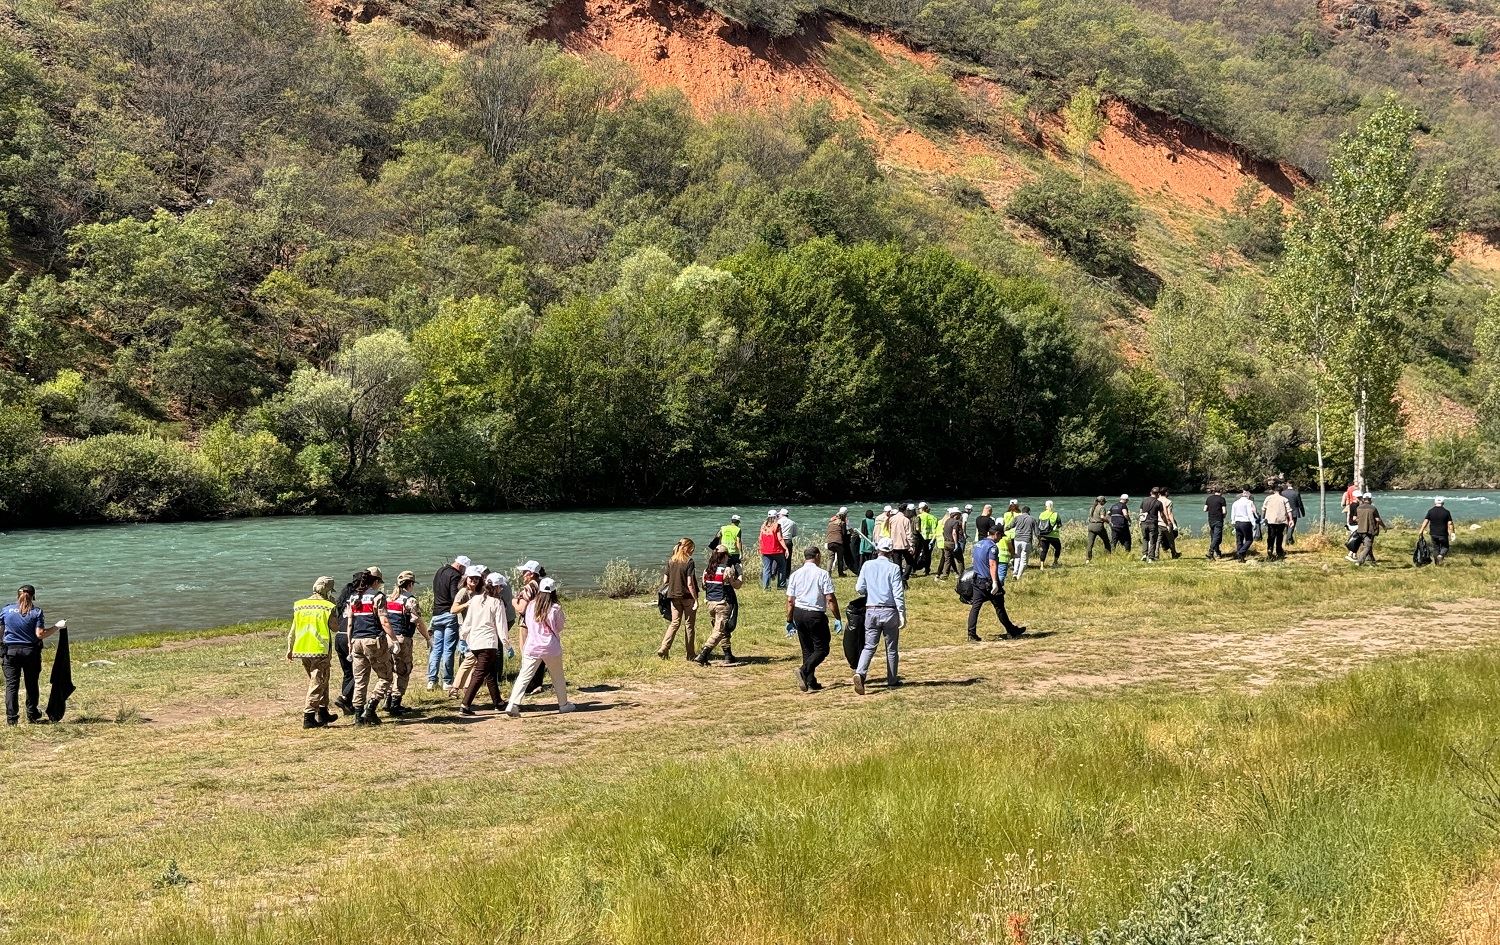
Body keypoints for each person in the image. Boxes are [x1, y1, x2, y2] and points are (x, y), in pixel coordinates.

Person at [506, 578, 574, 717]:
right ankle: (563, 704)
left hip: (532, 646)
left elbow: (528, 624)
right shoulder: (555, 608)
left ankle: (513, 704)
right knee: (558, 677)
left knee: (524, 676)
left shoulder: (531, 606)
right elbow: (559, 626)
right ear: (554, 591)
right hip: (551, 647)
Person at [853, 538, 906, 694]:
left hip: (871, 609)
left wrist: (869, 590)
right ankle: (892, 679)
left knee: (869, 646)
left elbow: (859, 588)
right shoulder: (894, 568)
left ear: (877, 550)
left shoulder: (867, 565)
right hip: (889, 611)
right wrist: (902, 613)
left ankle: (860, 672)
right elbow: (898, 592)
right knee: (891, 648)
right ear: (891, 552)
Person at [785, 546, 842, 693]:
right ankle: (803, 671)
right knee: (822, 648)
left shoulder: (795, 574)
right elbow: (830, 598)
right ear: (817, 556)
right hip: (815, 614)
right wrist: (838, 617)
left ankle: (810, 682)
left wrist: (789, 619)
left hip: (799, 613)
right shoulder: (822, 574)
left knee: (807, 649)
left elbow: (790, 600)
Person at [345, 568, 398, 725]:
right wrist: (394, 640)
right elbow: (384, 621)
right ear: (375, 582)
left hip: (356, 641)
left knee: (360, 680)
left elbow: (350, 623)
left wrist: (349, 643)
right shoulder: (378, 597)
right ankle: (370, 708)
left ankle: (358, 716)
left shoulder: (353, 597)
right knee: (386, 676)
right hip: (373, 641)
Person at [285, 577, 338, 729]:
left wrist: (289, 648)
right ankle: (308, 716)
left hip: (302, 647)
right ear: (328, 591)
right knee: (317, 682)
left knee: (321, 680)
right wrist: (335, 610)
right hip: (319, 648)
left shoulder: (300, 605)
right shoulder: (328, 606)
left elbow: (293, 629)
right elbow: (335, 627)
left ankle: (323, 711)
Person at [3, 584, 59, 726]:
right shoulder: (36, 612)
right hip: (30, 653)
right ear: (33, 596)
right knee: (31, 684)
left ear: (17, 595)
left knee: (11, 686)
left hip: (10, 652)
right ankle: (32, 714)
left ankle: (12, 719)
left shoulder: (6, 610)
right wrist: (56, 627)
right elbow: (39, 634)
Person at [457, 572, 512, 715]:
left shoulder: (475, 599)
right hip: (488, 643)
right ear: (497, 587)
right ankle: (465, 705)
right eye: (500, 587)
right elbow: (501, 627)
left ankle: (498, 702)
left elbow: (468, 621)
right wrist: (507, 645)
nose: (501, 589)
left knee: (490, 673)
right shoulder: (497, 602)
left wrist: (463, 637)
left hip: (474, 642)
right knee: (479, 674)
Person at [381, 571, 429, 715]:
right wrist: (428, 638)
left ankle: (387, 699)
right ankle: (395, 703)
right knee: (403, 670)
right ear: (410, 584)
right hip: (402, 639)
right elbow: (418, 622)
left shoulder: (388, 599)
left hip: (387, 639)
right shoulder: (410, 600)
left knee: (390, 669)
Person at [967, 525, 1026, 641]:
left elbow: (974, 561)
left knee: (975, 607)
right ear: (996, 534)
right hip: (988, 581)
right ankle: (1012, 631)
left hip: (977, 580)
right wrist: (995, 582)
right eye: (1000, 536)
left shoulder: (978, 544)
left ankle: (971, 633)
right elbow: (992, 564)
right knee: (999, 607)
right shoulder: (992, 547)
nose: (1000, 539)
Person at [696, 545, 744, 665]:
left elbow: (704, 586)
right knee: (720, 630)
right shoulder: (726, 570)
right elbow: (737, 585)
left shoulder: (707, 570)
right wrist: (740, 574)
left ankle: (728, 654)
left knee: (722, 629)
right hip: (722, 603)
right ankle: (704, 654)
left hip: (710, 603)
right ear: (724, 556)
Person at [427, 554, 468, 692]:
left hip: (436, 614)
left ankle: (431, 680)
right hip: (449, 614)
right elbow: (454, 596)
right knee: (448, 649)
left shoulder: (440, 571)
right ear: (460, 566)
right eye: (464, 569)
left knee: (436, 649)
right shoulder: (455, 575)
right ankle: (447, 680)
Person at [331, 570, 369, 714]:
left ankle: (348, 706)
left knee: (348, 673)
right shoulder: (360, 598)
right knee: (360, 669)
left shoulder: (345, 598)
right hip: (350, 637)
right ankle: (345, 697)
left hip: (339, 637)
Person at [659, 538, 700, 660]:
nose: (692, 551)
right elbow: (690, 583)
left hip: (673, 596)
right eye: (692, 548)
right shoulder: (689, 561)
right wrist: (696, 599)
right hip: (687, 597)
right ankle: (690, 654)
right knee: (689, 625)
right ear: (687, 548)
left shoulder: (671, 560)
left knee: (675, 623)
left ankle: (664, 647)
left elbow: (665, 580)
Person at [1418, 497, 1455, 565]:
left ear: (1435, 503)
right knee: (1445, 547)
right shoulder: (1446, 512)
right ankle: (1441, 556)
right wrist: (1452, 532)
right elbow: (1450, 523)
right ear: (1443, 503)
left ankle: (1437, 564)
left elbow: (1426, 521)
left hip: (1433, 534)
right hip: (1443, 534)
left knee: (1435, 548)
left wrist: (1421, 530)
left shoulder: (1430, 511)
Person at [1354, 492, 1385, 566]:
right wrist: (1384, 526)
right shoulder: (1373, 508)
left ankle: (1372, 561)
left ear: (1363, 499)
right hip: (1369, 530)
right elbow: (1378, 519)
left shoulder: (1358, 508)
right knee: (1367, 547)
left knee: (1368, 545)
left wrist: (1360, 521)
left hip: (1360, 530)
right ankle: (1359, 561)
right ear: (1370, 499)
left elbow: (1354, 518)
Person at [887, 504, 914, 584]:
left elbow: (888, 531)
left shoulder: (891, 519)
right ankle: (904, 577)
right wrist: (911, 545)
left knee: (897, 564)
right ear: (905, 510)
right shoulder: (906, 520)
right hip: (904, 544)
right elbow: (909, 534)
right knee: (910, 562)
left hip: (894, 544)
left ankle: (899, 580)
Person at [759, 511, 786, 591]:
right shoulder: (777, 525)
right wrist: (786, 548)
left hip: (765, 550)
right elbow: (780, 538)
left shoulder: (763, 526)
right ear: (776, 517)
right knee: (782, 566)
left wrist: (760, 547)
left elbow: (760, 538)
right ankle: (781, 586)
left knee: (766, 569)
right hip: (776, 550)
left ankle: (766, 587)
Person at [1261, 488, 1291, 561]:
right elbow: (1289, 510)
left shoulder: (1268, 498)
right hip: (1281, 520)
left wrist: (1262, 518)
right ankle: (1278, 550)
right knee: (1279, 535)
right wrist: (1291, 519)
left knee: (1271, 535)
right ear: (1281, 492)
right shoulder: (1284, 499)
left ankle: (1270, 548)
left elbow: (1263, 509)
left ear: (1274, 491)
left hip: (1270, 520)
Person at [1010, 505, 1038, 579]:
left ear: (1022, 512)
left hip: (1017, 540)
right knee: (1024, 560)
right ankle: (1018, 576)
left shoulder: (1017, 518)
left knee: (1017, 557)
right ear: (1029, 512)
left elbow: (1011, 526)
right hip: (1026, 540)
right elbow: (1037, 532)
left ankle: (1014, 573)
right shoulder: (1032, 519)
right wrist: (1040, 540)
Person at [938, 508, 965, 578]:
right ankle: (962, 574)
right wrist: (956, 544)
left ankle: (945, 575)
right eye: (959, 514)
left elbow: (943, 532)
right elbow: (954, 533)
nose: (960, 516)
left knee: (947, 559)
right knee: (960, 559)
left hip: (946, 542)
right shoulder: (955, 522)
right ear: (956, 514)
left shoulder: (947, 521)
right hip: (952, 543)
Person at [1231, 489, 1257, 562]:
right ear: (1248, 495)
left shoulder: (1235, 503)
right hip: (1246, 522)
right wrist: (1254, 523)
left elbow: (1233, 513)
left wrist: (1233, 522)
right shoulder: (1249, 502)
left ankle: (1240, 557)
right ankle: (1241, 552)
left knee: (1239, 540)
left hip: (1237, 522)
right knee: (1249, 539)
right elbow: (1250, 514)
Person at [1085, 496, 1113, 561]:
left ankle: (1088, 559)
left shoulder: (1092, 508)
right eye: (1104, 502)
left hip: (1090, 526)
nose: (1105, 503)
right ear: (1101, 502)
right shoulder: (1102, 508)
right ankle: (1107, 557)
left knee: (1090, 543)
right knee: (1106, 541)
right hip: (1098, 526)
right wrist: (1109, 522)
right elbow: (1102, 517)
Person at [1138, 488, 1163, 562]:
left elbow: (1140, 511)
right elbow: (1162, 514)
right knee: (1152, 540)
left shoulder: (1144, 500)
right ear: (1158, 494)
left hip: (1144, 522)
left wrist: (1140, 521)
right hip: (1153, 523)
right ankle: (1151, 558)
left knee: (1145, 538)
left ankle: (1144, 554)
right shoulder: (1158, 503)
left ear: (1150, 492)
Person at [776, 509, 798, 589]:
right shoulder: (792, 522)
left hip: (779, 541)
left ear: (781, 515)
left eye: (779, 515)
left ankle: (776, 575)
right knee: (788, 560)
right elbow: (795, 534)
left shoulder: (778, 522)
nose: (778, 516)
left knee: (778, 559)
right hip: (788, 541)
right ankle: (787, 577)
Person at [825, 508, 851, 578]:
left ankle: (828, 573)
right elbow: (844, 533)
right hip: (838, 542)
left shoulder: (830, 523)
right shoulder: (842, 523)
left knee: (831, 558)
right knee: (840, 558)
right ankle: (840, 573)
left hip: (829, 542)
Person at [1036, 500, 1062, 568]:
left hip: (1043, 535)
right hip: (1053, 535)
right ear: (1052, 506)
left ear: (1046, 506)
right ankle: (1055, 562)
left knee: (1044, 550)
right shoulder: (1056, 514)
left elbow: (1038, 525)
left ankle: (1042, 566)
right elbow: (1059, 524)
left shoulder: (1041, 514)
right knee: (1058, 548)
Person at [1203, 487, 1227, 560]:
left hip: (1211, 520)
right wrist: (1224, 516)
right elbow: (1224, 511)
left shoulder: (1209, 498)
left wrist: (1211, 509)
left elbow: (1204, 509)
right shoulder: (1222, 499)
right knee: (1217, 537)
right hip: (1218, 520)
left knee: (1214, 537)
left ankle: (1218, 553)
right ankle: (1210, 552)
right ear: (1220, 491)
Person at [1158, 488, 1182, 559]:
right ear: (1165, 493)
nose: (1169, 493)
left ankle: (1155, 555)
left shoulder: (1157, 500)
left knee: (1158, 540)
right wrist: (1173, 524)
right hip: (1167, 522)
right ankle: (1174, 554)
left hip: (1158, 522)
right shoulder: (1168, 501)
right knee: (1171, 539)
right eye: (1168, 492)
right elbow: (1169, 514)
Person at [917, 502, 940, 575]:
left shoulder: (918, 517)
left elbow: (917, 529)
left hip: (921, 538)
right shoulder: (933, 518)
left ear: (922, 509)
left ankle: (916, 567)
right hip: (931, 538)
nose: (918, 510)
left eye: (919, 508)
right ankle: (927, 570)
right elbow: (936, 529)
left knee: (918, 553)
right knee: (928, 555)